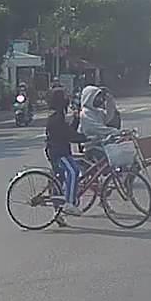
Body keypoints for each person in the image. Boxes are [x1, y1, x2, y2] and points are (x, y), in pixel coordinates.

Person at [45, 88, 88, 227]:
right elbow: (68, 135)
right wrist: (85, 138)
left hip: (62, 151)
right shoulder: (56, 118)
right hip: (58, 153)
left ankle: (58, 213)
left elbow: (69, 131)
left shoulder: (59, 115)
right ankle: (69, 203)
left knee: (60, 181)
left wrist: (76, 120)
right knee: (73, 172)